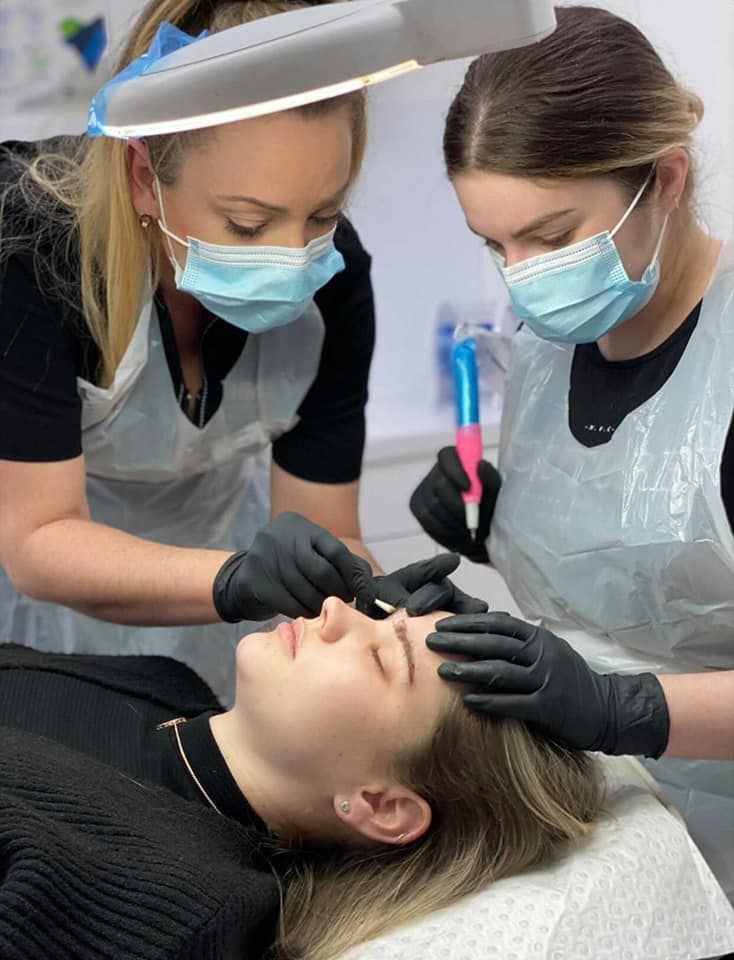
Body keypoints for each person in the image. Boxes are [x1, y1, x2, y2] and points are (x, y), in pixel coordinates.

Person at [0, 0, 481, 703]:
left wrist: (388, 614)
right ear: (143, 177)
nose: (294, 257)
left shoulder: (336, 281)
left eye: (323, 214)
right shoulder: (33, 252)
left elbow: (324, 524)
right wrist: (236, 578)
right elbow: (41, 540)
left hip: (217, 579)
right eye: (248, 223)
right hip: (43, 595)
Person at [408, 4, 734, 900]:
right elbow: (620, 563)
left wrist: (617, 706)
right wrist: (490, 522)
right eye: (495, 243)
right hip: (599, 827)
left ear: (664, 180)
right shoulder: (548, 348)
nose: (523, 275)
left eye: (551, 238)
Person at [0, 597, 602, 960]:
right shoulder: (164, 684)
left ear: (381, 805)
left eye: (380, 657)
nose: (336, 612)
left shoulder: (175, 913)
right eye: (380, 616)